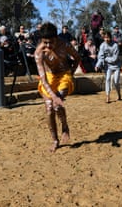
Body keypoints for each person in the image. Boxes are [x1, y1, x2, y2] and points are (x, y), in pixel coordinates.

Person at [34, 22, 81, 152]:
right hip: (49, 77)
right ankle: (55, 140)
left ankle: (65, 127)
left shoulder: (64, 45)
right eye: (45, 42)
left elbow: (77, 57)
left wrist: (71, 72)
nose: (48, 46)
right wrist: (53, 96)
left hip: (64, 75)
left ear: (56, 38)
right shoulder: (39, 52)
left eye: (51, 42)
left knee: (57, 105)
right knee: (49, 108)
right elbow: (43, 79)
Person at [95, 30, 122, 103]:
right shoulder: (102, 45)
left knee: (116, 81)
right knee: (107, 79)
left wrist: (106, 59)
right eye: (105, 38)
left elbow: (115, 58)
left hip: (116, 65)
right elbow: (100, 57)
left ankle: (119, 94)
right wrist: (97, 65)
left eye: (108, 37)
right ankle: (108, 96)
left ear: (111, 37)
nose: (106, 39)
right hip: (108, 66)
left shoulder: (115, 45)